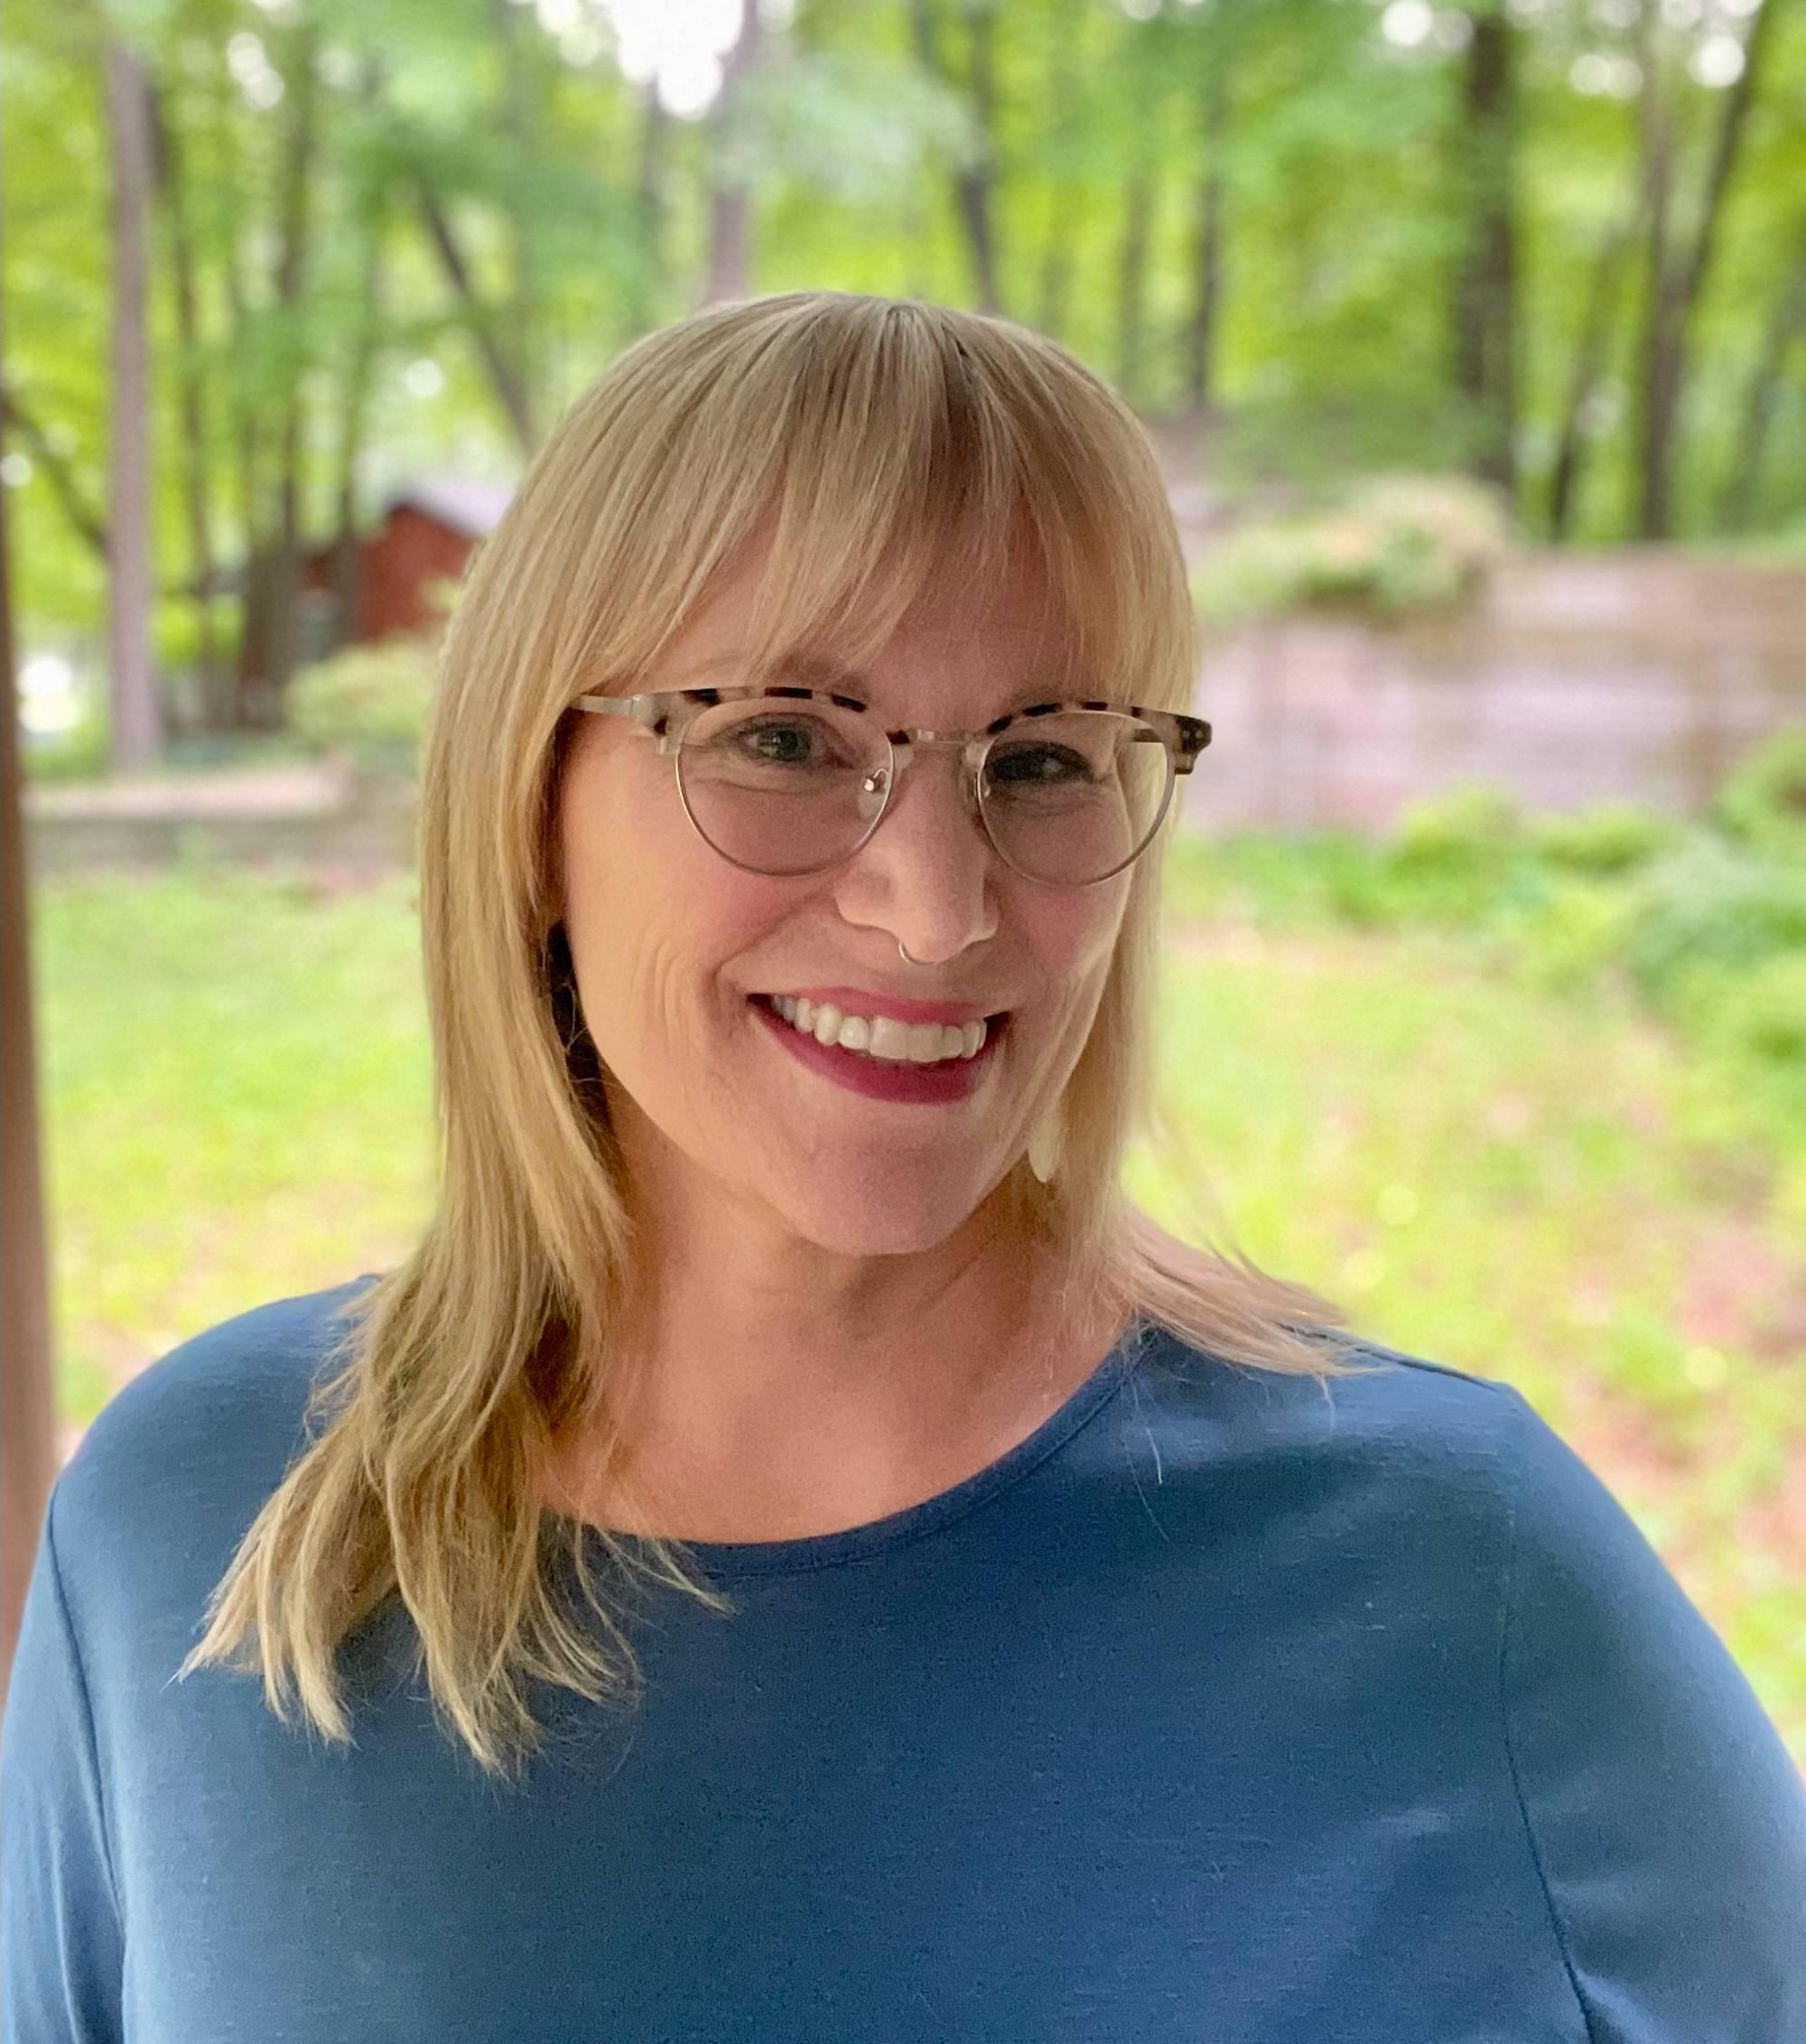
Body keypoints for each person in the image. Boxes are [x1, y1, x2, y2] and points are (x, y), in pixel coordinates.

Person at [4, 293, 1803, 2044]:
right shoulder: (188, 1534)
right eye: (782, 737)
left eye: (1041, 758)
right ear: (528, 805)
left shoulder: (1456, 1581)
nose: (936, 908)